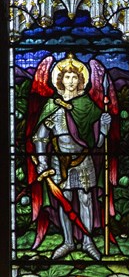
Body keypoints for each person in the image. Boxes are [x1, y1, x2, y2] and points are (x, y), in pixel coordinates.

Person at [30, 54, 111, 260]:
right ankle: (67, 242)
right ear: (60, 80)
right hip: (59, 162)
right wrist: (42, 162)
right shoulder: (52, 106)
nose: (71, 81)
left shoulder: (88, 106)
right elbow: (41, 137)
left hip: (83, 160)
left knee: (85, 200)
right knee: (63, 200)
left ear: (81, 80)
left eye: (75, 77)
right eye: (67, 77)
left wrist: (103, 127)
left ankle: (87, 242)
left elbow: (98, 144)